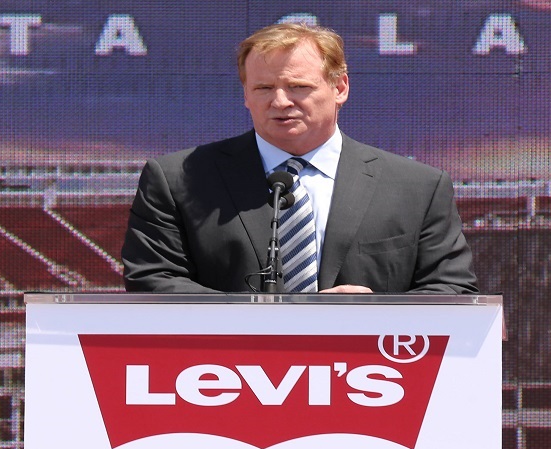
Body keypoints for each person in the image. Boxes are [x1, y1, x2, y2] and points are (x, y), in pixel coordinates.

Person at [121, 23, 478, 294]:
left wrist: (378, 314)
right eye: (263, 88)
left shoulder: (417, 188)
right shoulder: (179, 179)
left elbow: (454, 292)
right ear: (245, 94)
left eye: (298, 87)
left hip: (370, 379)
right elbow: (153, 281)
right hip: (223, 380)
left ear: (340, 89)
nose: (279, 102)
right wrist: (264, 320)